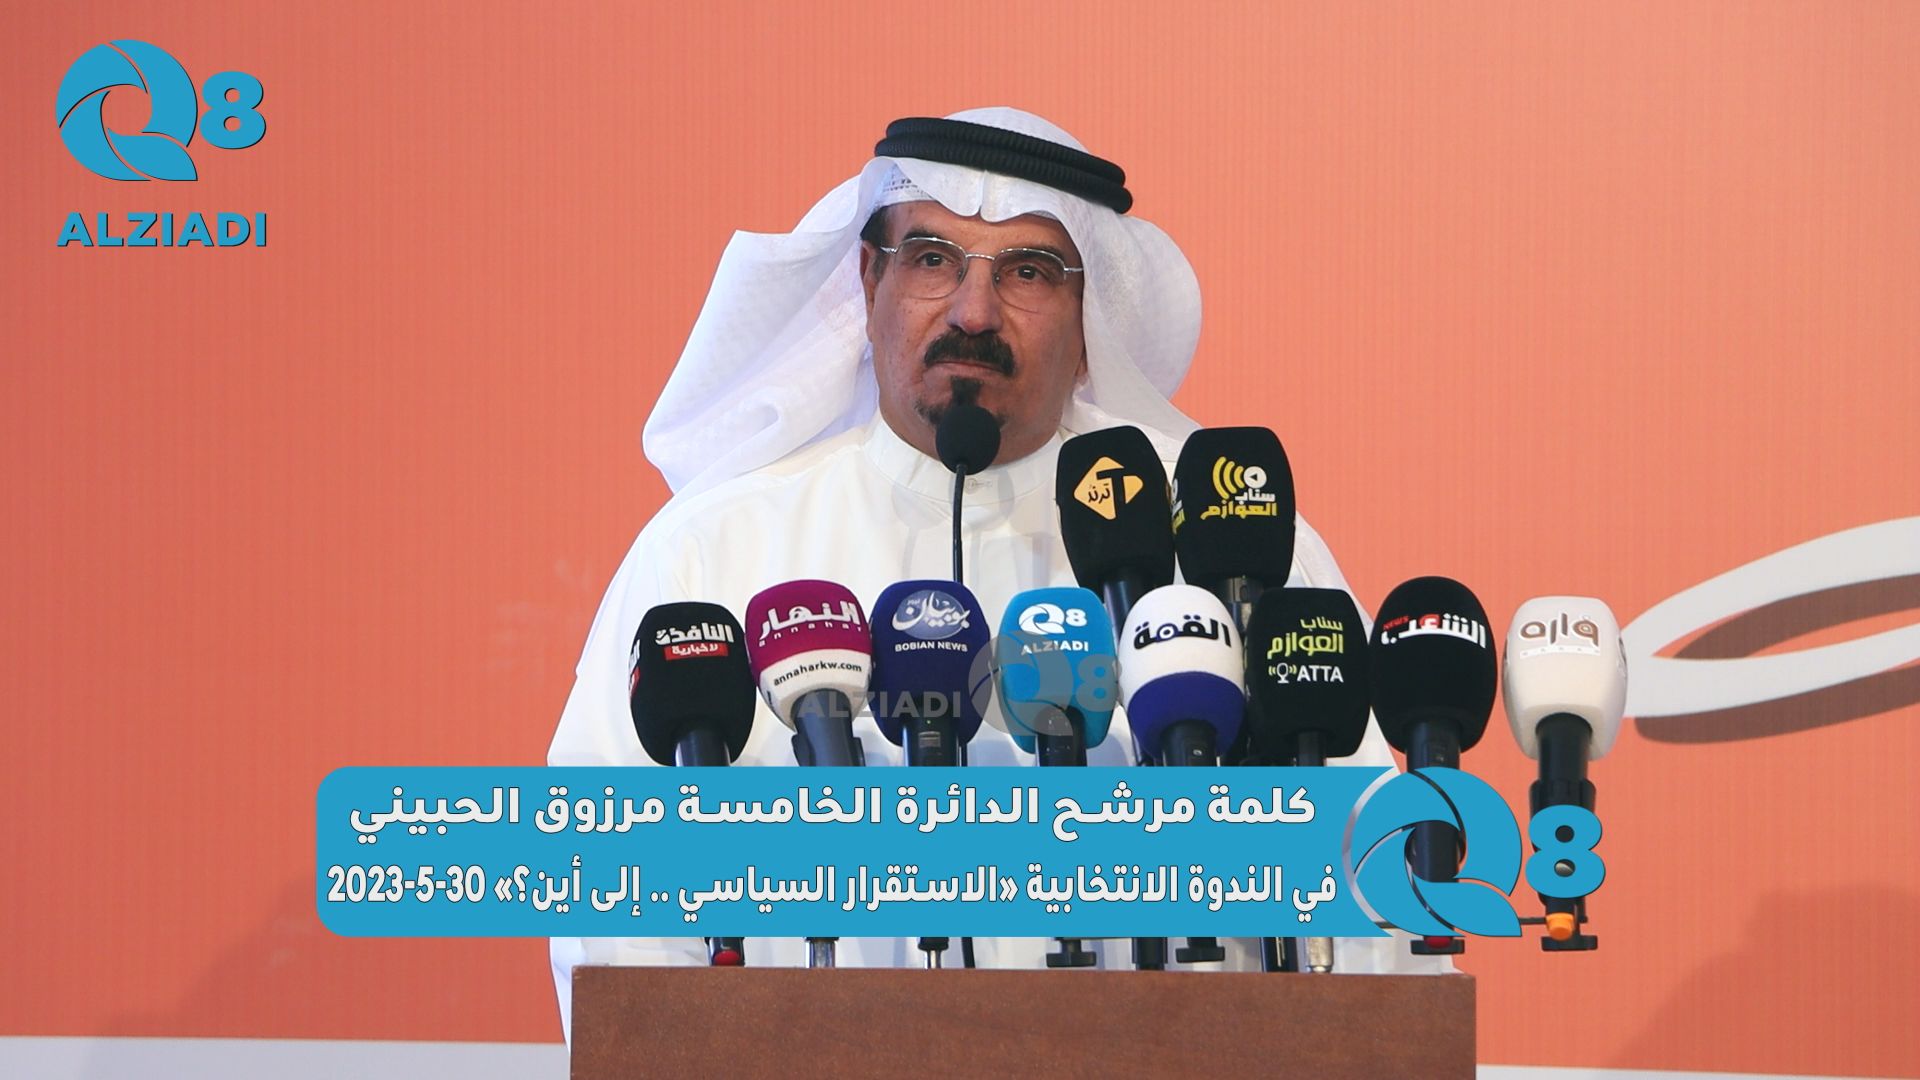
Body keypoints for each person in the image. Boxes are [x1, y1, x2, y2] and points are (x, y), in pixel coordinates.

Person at [548, 107, 1445, 1039]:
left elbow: (1370, 883)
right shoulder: (713, 553)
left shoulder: (1234, 550)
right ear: (870, 282)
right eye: (932, 259)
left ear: (1089, 320)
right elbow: (611, 905)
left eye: (1027, 272)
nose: (973, 312)